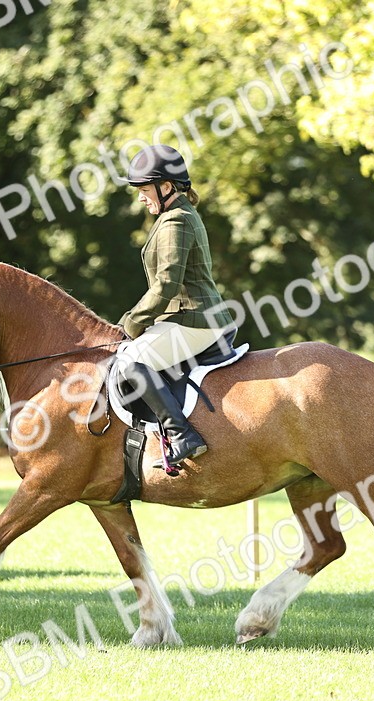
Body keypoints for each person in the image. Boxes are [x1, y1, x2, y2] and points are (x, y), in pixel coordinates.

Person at [116, 144, 236, 468]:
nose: (141, 198)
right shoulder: (176, 216)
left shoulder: (175, 222)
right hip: (190, 318)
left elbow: (167, 285)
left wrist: (130, 324)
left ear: (166, 186)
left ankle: (182, 435)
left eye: (144, 190)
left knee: (130, 360)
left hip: (194, 319)